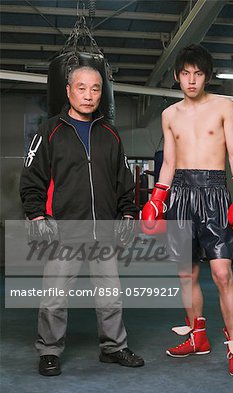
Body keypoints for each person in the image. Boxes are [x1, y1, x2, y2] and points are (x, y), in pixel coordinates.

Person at [141, 44, 233, 376]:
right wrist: (155, 200)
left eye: (198, 74)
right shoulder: (169, 115)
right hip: (179, 193)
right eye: (185, 73)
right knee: (185, 273)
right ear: (178, 76)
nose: (191, 80)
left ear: (207, 76)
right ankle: (197, 337)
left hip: (214, 193)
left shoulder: (224, 106)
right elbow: (169, 164)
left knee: (222, 274)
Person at [20, 65, 144, 376]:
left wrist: (128, 212)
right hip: (64, 229)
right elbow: (32, 179)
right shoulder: (49, 131)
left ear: (102, 93)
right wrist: (37, 214)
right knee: (55, 295)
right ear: (68, 91)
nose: (88, 96)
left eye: (95, 89)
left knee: (110, 294)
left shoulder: (111, 134)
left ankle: (114, 348)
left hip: (103, 229)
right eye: (82, 88)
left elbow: (123, 180)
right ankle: (49, 350)